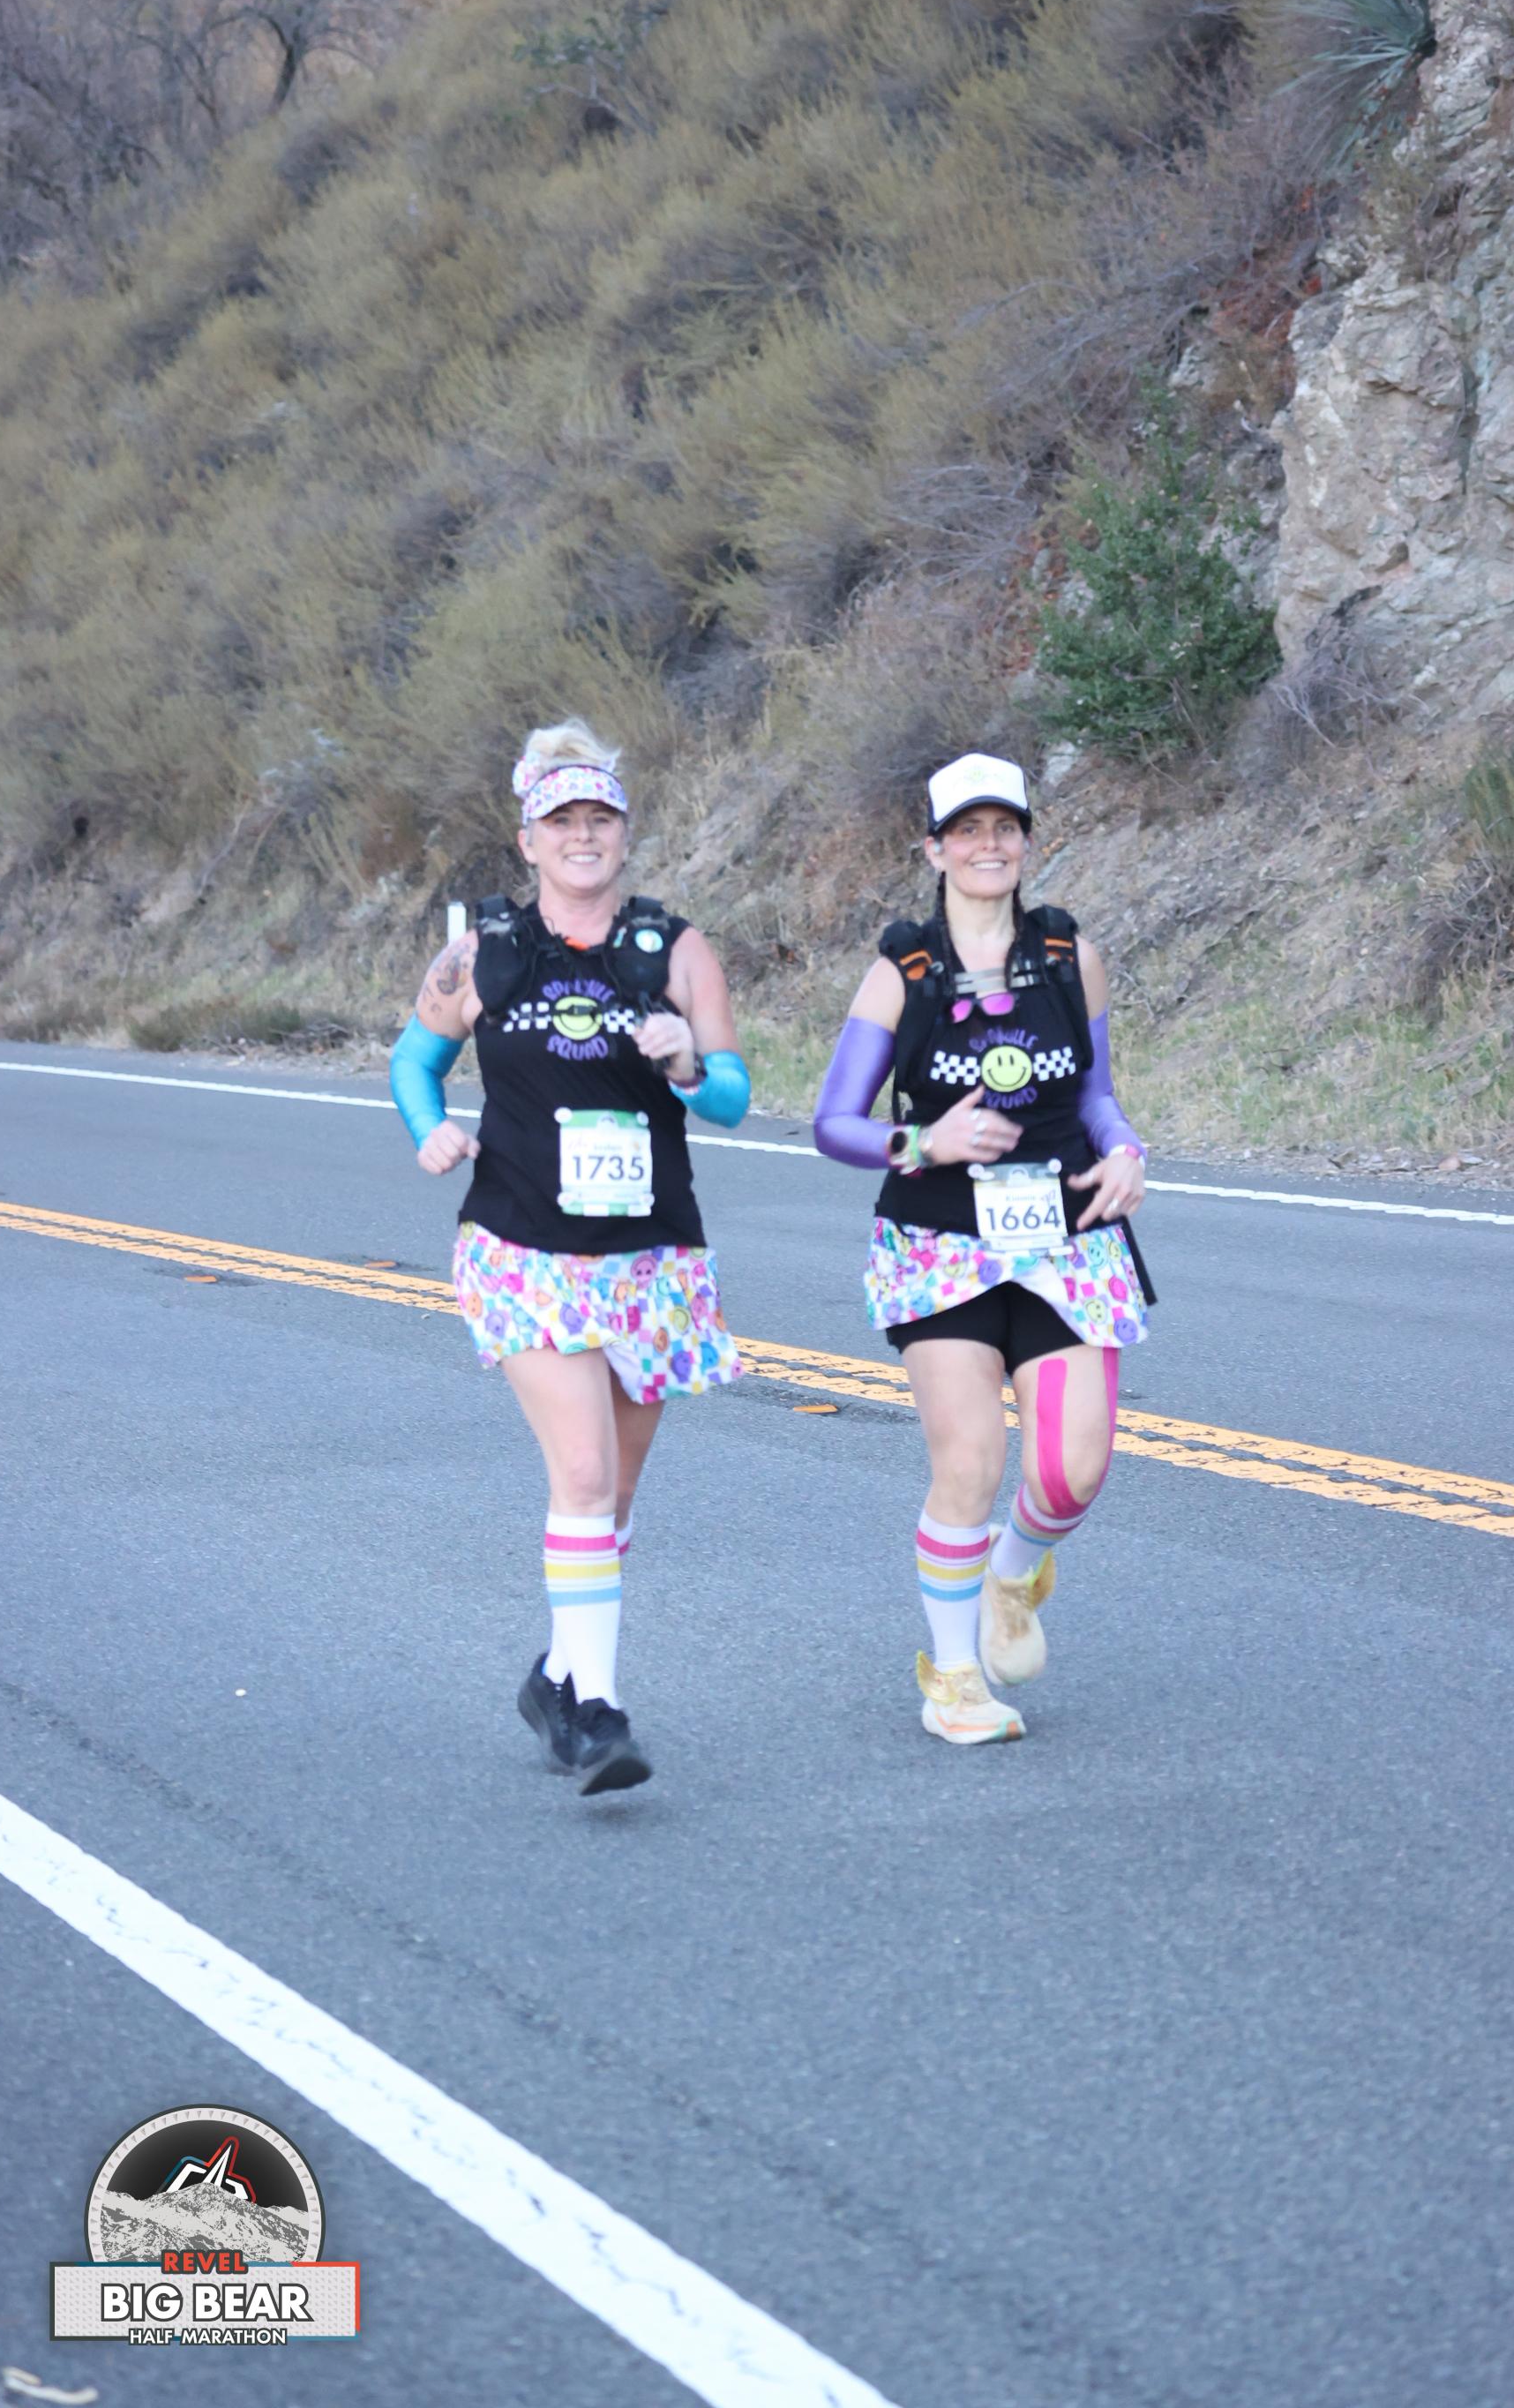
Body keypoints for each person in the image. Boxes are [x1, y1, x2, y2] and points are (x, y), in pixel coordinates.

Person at [388, 719, 750, 1794]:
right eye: (562, 822)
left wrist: (689, 1064)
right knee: (583, 1474)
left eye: (600, 819)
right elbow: (414, 1061)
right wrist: (430, 1129)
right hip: (521, 1244)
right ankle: (596, 1712)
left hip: (649, 1255)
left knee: (613, 1498)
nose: (582, 837)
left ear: (624, 835)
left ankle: (555, 1677)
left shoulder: (675, 949)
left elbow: (733, 1098)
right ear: (528, 840)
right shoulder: (481, 951)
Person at [813, 752, 1154, 1745]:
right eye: (967, 831)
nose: (988, 846)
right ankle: (954, 1678)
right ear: (935, 849)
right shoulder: (904, 972)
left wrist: (1124, 1149)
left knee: (1073, 1472)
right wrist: (925, 1141)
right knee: (970, 1459)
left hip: (1065, 1234)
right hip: (940, 1242)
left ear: (1027, 843)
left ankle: (1013, 1573)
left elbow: (1094, 1095)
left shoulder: (1070, 957)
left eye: (1005, 828)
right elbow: (835, 1122)